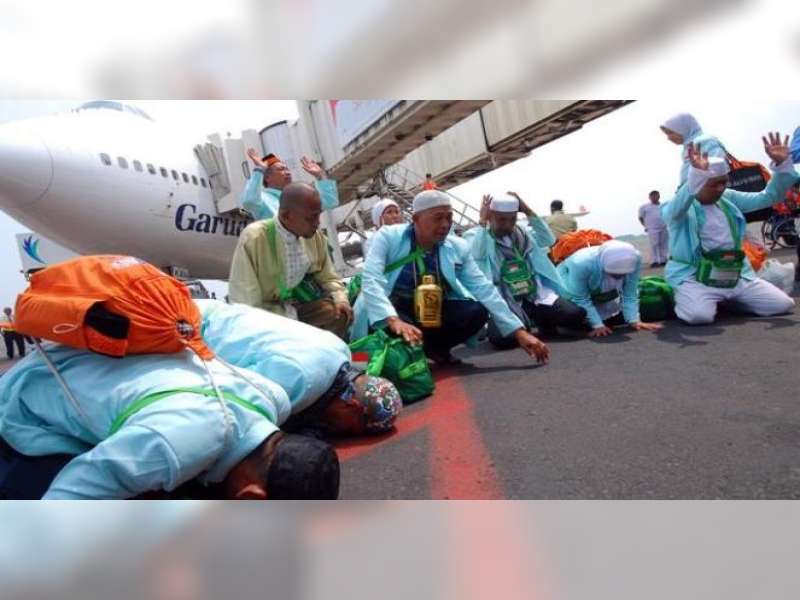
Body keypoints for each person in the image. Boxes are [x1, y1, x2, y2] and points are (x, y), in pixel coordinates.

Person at [0, 344, 340, 500]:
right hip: (24, 406)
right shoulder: (166, 447)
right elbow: (66, 501)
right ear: (250, 499)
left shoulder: (271, 397)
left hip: (85, 364)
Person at [351, 190, 550, 365]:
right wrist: (394, 321)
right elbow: (371, 279)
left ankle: (434, 348)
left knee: (476, 311)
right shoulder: (387, 237)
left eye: (449, 217)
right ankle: (403, 351)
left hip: (430, 309)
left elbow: (484, 288)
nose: (445, 224)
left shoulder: (457, 247)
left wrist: (520, 332)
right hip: (392, 310)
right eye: (438, 218)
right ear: (416, 218)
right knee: (393, 353)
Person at [196, 299, 402, 437]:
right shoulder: (299, 385)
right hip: (189, 329)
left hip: (210, 311)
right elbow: (237, 411)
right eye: (350, 429)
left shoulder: (341, 351)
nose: (341, 432)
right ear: (353, 406)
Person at [662, 133, 797, 325]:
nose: (720, 189)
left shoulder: (727, 198)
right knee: (699, 316)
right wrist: (696, 176)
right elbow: (675, 209)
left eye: (724, 182)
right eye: (713, 184)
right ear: (696, 182)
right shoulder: (677, 207)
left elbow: (768, 197)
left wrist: (783, 167)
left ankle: (732, 302)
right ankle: (692, 298)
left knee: (782, 304)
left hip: (734, 274)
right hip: (694, 278)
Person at [228, 183, 352, 339]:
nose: (317, 223)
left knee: (338, 313)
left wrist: (341, 299)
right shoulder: (254, 237)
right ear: (286, 216)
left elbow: (329, 277)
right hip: (268, 317)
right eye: (311, 218)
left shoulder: (315, 236)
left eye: (318, 215)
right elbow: (246, 303)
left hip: (295, 308)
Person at [465, 192, 586, 347]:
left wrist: (527, 211)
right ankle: (521, 324)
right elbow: (477, 255)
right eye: (501, 220)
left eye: (512, 219)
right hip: (506, 299)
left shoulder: (523, 233)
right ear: (490, 216)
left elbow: (548, 239)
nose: (508, 225)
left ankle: (536, 320)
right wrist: (481, 222)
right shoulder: (476, 234)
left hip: (534, 294)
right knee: (502, 340)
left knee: (575, 315)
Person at [558, 240, 663, 338]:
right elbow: (580, 298)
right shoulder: (581, 263)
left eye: (623, 274)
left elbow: (630, 291)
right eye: (614, 274)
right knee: (575, 314)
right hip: (569, 285)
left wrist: (634, 320)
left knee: (617, 317)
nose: (619, 278)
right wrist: (597, 325)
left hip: (599, 291)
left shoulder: (635, 258)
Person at [240, 150, 339, 221]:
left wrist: (320, 176)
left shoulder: (298, 197)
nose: (287, 172)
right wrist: (259, 169)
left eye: (287, 169)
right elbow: (249, 202)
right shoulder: (263, 198)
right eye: (281, 169)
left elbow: (330, 202)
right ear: (267, 177)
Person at [660, 112, 726, 188]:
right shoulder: (689, 147)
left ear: (683, 129)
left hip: (708, 195)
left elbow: (716, 171)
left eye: (670, 133)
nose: (668, 138)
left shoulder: (704, 142)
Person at [638, 190, 668, 267]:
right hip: (652, 228)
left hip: (663, 227)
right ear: (649, 197)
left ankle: (663, 260)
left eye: (656, 195)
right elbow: (640, 217)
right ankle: (654, 261)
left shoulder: (663, 205)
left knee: (663, 244)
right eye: (652, 196)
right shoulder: (644, 207)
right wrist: (645, 226)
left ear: (659, 196)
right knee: (654, 244)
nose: (654, 197)